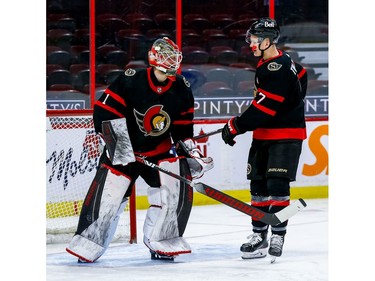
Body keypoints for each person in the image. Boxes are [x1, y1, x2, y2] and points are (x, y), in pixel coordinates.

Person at [66, 37, 213, 262]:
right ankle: (89, 242)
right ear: (154, 58)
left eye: (173, 55)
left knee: (170, 195)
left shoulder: (182, 88)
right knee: (110, 196)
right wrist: (123, 151)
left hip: (158, 151)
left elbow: (183, 127)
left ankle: (161, 242)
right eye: (166, 55)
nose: (171, 60)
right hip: (124, 150)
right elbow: (104, 113)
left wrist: (188, 151)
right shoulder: (131, 80)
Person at [221, 17, 308, 262]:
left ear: (268, 40)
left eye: (255, 39)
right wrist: (293, 104)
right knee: (258, 187)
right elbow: (302, 75)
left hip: (286, 136)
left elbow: (265, 108)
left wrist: (236, 126)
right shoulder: (277, 60)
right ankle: (259, 235)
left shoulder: (275, 67)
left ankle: (278, 234)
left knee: (277, 184)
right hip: (264, 134)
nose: (251, 43)